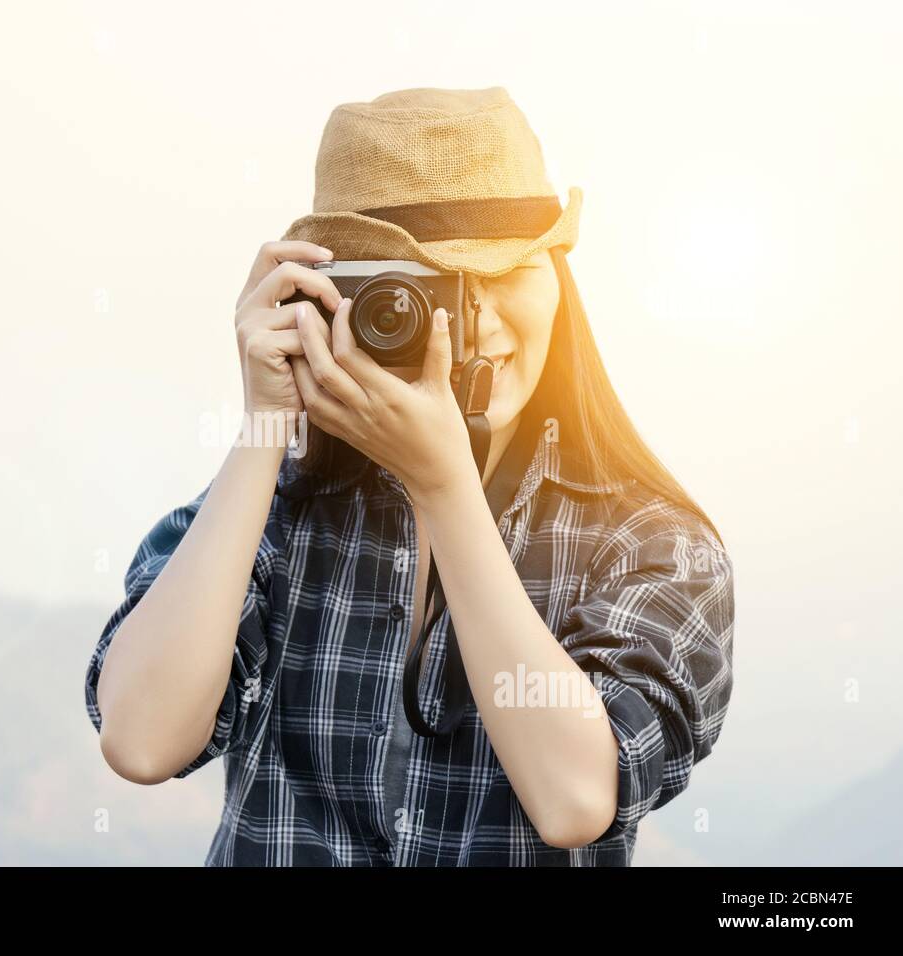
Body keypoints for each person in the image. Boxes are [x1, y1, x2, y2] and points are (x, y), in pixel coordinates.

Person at [84, 87, 735, 866]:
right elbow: (141, 741)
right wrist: (266, 423)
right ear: (333, 298)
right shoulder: (273, 514)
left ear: (560, 277)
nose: (482, 320)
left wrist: (445, 489)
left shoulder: (652, 545)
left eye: (513, 270)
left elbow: (576, 799)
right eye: (429, 290)